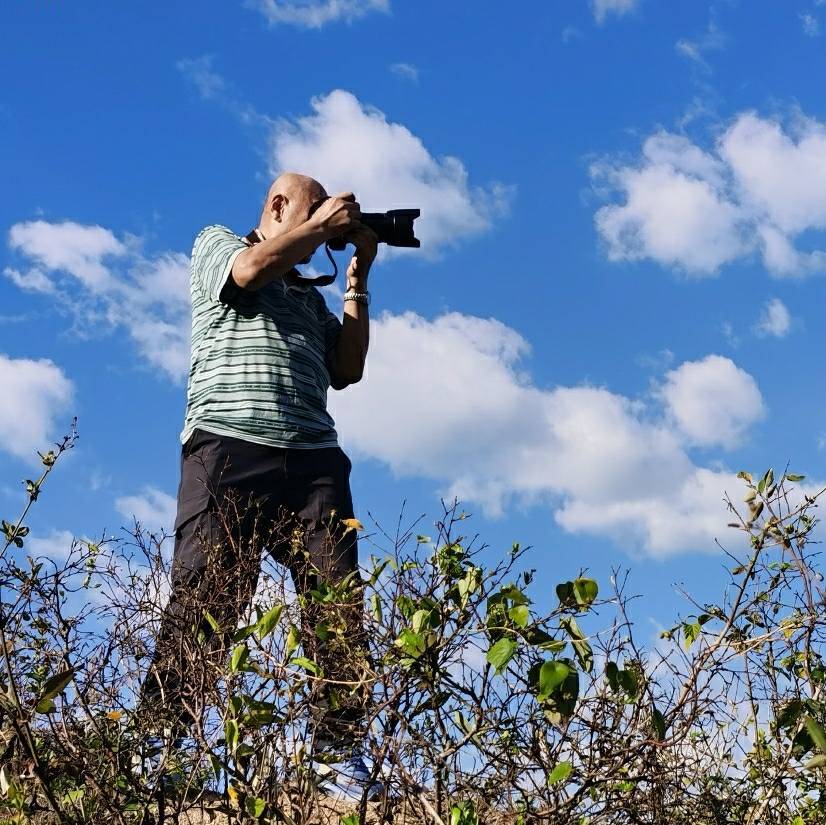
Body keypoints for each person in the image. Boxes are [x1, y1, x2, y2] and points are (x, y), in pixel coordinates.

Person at [140, 172, 381, 800]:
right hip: (229, 445)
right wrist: (318, 231)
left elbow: (348, 369)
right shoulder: (218, 243)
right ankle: (161, 749)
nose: (325, 223)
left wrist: (357, 284)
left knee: (339, 605)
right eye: (314, 210)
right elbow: (247, 273)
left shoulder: (309, 298)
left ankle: (336, 754)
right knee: (207, 600)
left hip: (314, 459)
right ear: (279, 206)